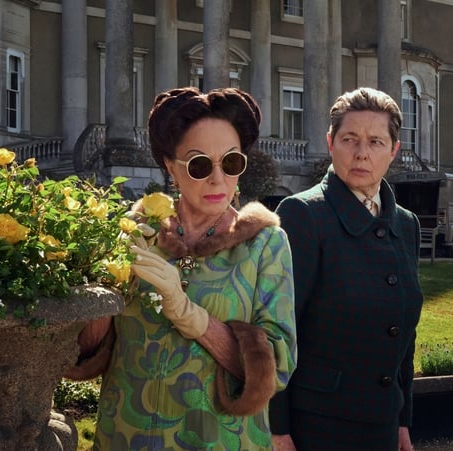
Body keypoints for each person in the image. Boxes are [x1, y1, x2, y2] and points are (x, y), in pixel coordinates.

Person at [66, 87, 296, 450]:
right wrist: (104, 288)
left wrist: (191, 316)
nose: (217, 179)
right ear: (171, 167)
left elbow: (278, 366)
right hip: (126, 436)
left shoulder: (264, 244)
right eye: (199, 164)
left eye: (231, 163)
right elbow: (82, 350)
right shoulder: (135, 233)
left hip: (220, 441)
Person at [268, 87, 423, 451]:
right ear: (330, 142)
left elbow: (404, 336)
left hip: (383, 425)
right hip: (316, 427)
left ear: (394, 150)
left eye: (376, 142)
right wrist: (277, 429)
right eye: (349, 139)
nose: (361, 153)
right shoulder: (302, 215)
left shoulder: (406, 224)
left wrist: (403, 420)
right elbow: (277, 331)